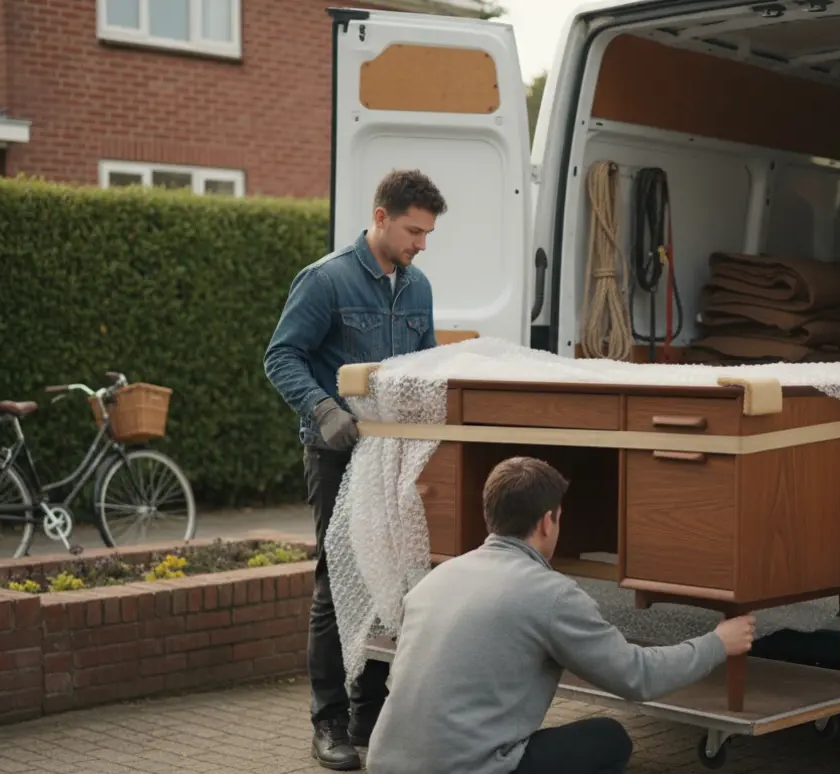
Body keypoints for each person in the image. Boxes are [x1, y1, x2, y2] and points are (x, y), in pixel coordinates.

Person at [365, 456, 756, 774]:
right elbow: (638, 677)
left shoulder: (436, 580)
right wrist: (717, 643)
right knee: (610, 740)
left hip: (386, 764)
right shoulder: (550, 594)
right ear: (546, 521)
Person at [263, 169, 448, 771]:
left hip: (395, 455)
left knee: (388, 578)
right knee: (335, 582)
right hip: (336, 451)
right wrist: (323, 410)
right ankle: (329, 722)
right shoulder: (326, 279)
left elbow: (423, 368)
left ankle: (370, 713)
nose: (421, 244)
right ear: (380, 217)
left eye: (427, 233)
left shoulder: (417, 287)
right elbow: (280, 356)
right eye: (413, 231)